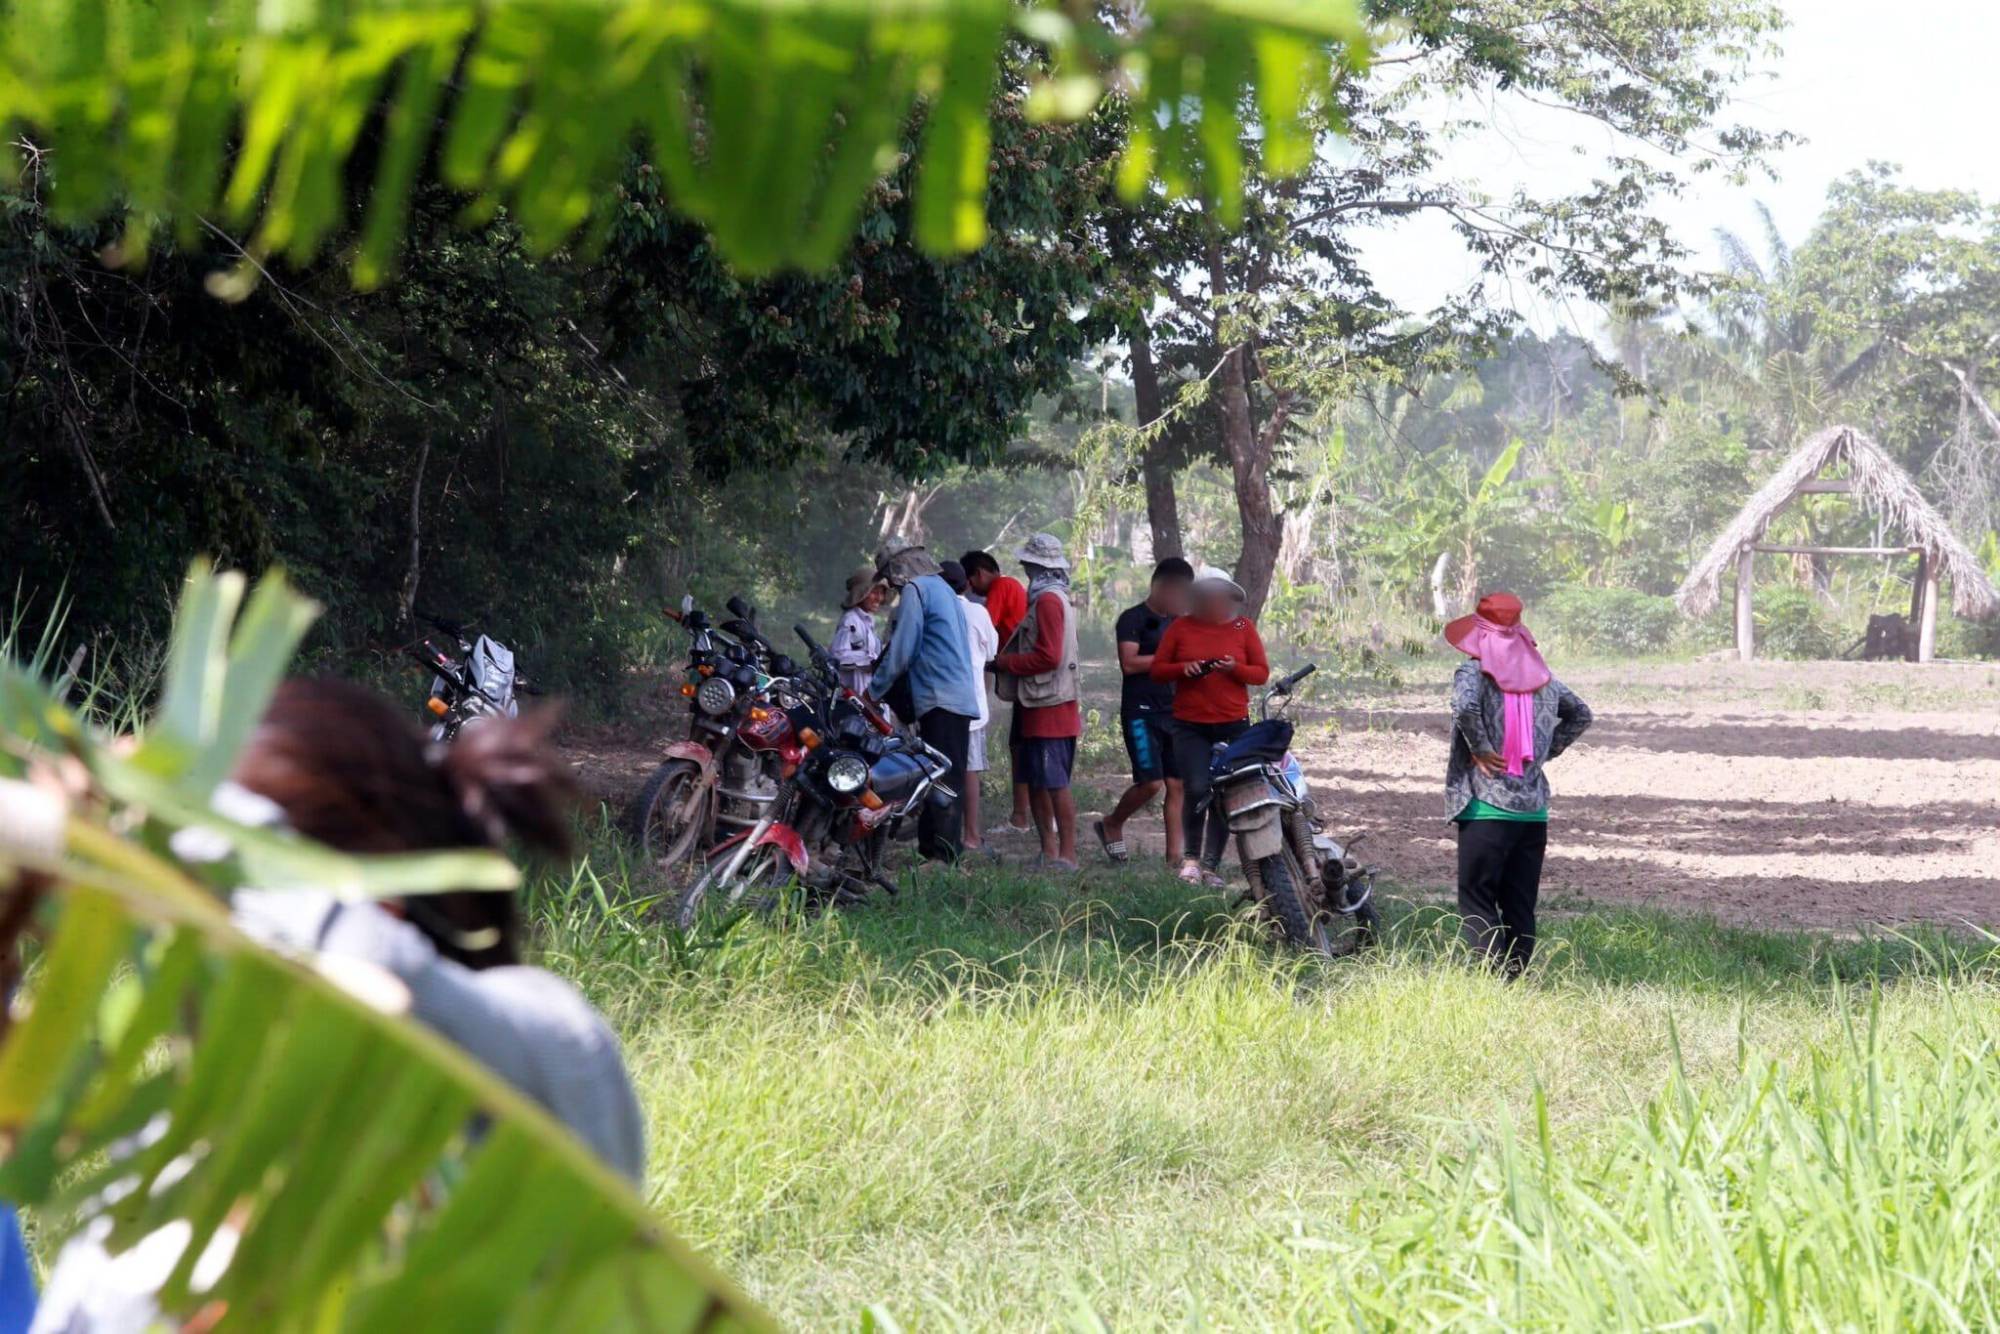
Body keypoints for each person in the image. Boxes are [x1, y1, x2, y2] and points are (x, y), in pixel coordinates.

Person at [31, 679, 645, 1332]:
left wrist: (170, 819)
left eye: (206, 926)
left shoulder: (553, 1054)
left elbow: (379, 969)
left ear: (379, 897)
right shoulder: (178, 1174)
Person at [1444, 592, 1593, 977]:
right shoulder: (1547, 682)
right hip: (1533, 813)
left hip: (1486, 806)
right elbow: (1581, 714)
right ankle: (1514, 981)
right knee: (1519, 904)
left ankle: (1489, 983)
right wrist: (1547, 751)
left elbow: (1464, 707)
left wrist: (1479, 747)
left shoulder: (1473, 673)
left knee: (1477, 899)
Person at [1149, 565, 1270, 886]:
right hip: (1190, 724)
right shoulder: (1181, 627)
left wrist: (1235, 669)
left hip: (1233, 724)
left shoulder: (1244, 626)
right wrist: (1182, 668)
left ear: (1228, 598)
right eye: (1205, 597)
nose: (1213, 603)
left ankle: (1212, 866)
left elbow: (1260, 673)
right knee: (1198, 788)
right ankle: (1191, 860)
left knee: (1223, 792)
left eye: (1218, 597)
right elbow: (1158, 670)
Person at [869, 536, 982, 863]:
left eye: (889, 574)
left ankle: (942, 855)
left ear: (898, 568)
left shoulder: (917, 591)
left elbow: (901, 651)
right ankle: (935, 850)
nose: (890, 583)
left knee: (941, 780)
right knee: (946, 775)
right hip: (956, 697)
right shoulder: (944, 590)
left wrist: (872, 691)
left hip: (939, 698)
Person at [991, 533, 1083, 870]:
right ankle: (1049, 851)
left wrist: (1005, 663)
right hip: (1041, 702)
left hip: (1049, 703)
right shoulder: (1055, 598)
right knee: (1039, 781)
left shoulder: (1047, 601)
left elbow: (1047, 656)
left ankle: (1067, 854)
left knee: (1054, 783)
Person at [1095, 557, 1194, 865]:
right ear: (1160, 587)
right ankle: (1112, 822)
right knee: (1152, 783)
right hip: (1140, 713)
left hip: (1174, 712)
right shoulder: (1132, 619)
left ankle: (1175, 859)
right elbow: (1129, 663)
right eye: (1178, 592)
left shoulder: (1180, 622)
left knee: (1177, 785)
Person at [960, 549, 1032, 832]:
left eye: (971, 582)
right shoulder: (1012, 585)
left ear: (978, 574)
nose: (972, 590)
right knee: (1020, 744)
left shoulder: (1001, 587)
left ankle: (1022, 816)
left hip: (1017, 668)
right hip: (1016, 668)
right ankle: (1022, 814)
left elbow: (984, 627)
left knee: (1021, 746)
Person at [940, 560, 1000, 855]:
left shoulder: (934, 611)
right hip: (972, 705)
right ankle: (972, 835)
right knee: (970, 770)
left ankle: (942, 836)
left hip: (939, 704)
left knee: (941, 769)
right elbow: (992, 652)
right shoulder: (978, 611)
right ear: (966, 584)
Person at [832, 565, 886, 697]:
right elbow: (837, 656)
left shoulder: (868, 621)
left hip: (867, 693)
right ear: (861, 593)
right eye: (874, 592)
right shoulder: (850, 620)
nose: (879, 598)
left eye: (882, 592)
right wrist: (869, 660)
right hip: (854, 696)